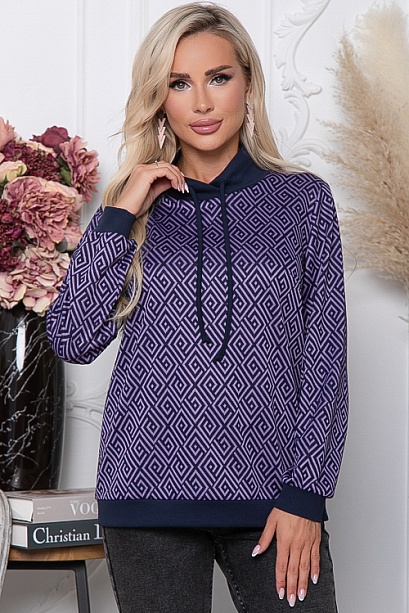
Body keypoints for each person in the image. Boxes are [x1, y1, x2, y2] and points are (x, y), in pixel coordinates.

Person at [47, 3, 348, 612]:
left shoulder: (304, 201)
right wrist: (120, 214)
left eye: (218, 77)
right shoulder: (130, 206)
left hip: (275, 498)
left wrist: (306, 494)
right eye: (179, 84)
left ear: (248, 84)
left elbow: (324, 361)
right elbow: (72, 338)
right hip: (146, 496)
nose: (202, 103)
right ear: (159, 99)